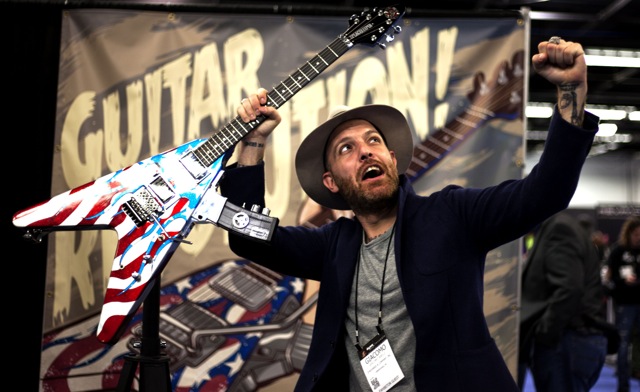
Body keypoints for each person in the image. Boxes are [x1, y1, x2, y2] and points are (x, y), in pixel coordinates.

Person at [219, 36, 598, 391]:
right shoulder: (333, 245)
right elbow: (249, 238)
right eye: (346, 149)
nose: (366, 151)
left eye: (373, 141)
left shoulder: (453, 216)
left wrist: (570, 92)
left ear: (392, 160)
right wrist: (253, 142)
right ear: (331, 183)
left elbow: (544, 194)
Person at [518, 211, 608, 391]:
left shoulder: (559, 228)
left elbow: (569, 289)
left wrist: (545, 333)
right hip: (569, 340)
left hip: (566, 341)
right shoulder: (557, 228)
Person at [606, 215, 640, 392]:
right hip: (624, 304)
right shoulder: (618, 251)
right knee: (623, 344)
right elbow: (609, 276)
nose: (638, 238)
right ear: (629, 234)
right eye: (636, 234)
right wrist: (622, 282)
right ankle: (623, 386)